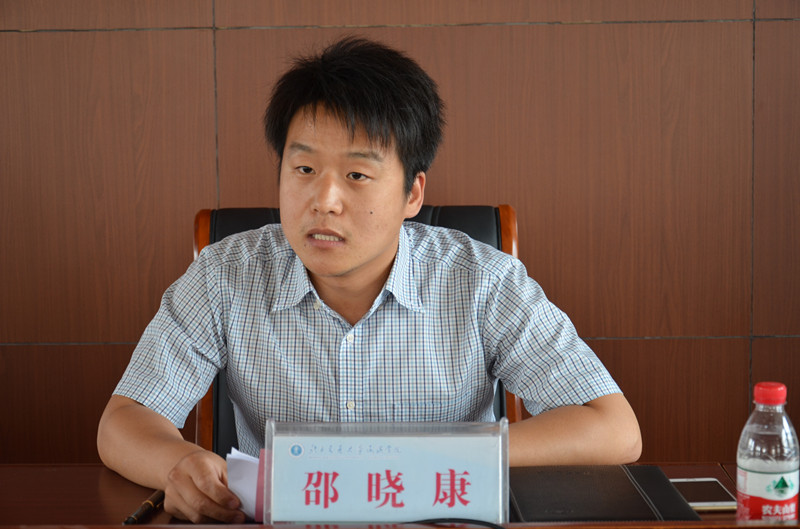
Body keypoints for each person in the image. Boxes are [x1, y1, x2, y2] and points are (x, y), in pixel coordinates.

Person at [97, 36, 641, 523]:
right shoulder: (224, 275)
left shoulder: (482, 282)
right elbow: (125, 420)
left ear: (412, 194)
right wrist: (181, 464)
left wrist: (440, 457)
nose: (324, 201)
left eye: (357, 174)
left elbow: (612, 427)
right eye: (304, 170)